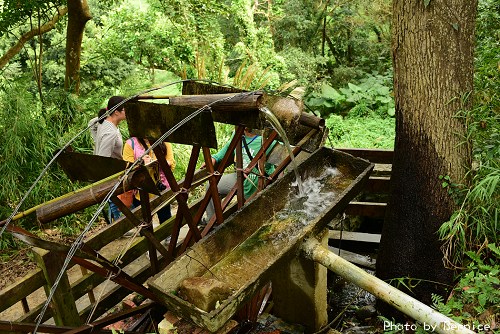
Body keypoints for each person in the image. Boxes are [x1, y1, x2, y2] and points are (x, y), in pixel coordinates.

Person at [202, 128, 277, 221]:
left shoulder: (267, 139)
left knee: (256, 217)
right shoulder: (237, 133)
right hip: (239, 178)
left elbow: (283, 157)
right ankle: (212, 222)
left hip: (258, 184)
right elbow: (229, 146)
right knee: (211, 186)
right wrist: (215, 158)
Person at [88, 96, 127, 223]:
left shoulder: (104, 122)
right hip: (110, 171)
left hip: (112, 170)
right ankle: (117, 224)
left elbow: (91, 124)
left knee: (114, 199)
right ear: (116, 112)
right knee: (114, 198)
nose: (127, 112)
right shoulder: (110, 133)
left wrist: (96, 141)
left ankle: (117, 222)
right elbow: (103, 159)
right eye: (125, 110)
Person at [123, 137, 176, 224]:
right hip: (141, 192)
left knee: (165, 219)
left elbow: (171, 162)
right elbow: (127, 168)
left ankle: (168, 237)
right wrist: (141, 163)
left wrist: (155, 163)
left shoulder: (163, 140)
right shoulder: (130, 144)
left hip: (161, 188)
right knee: (144, 224)